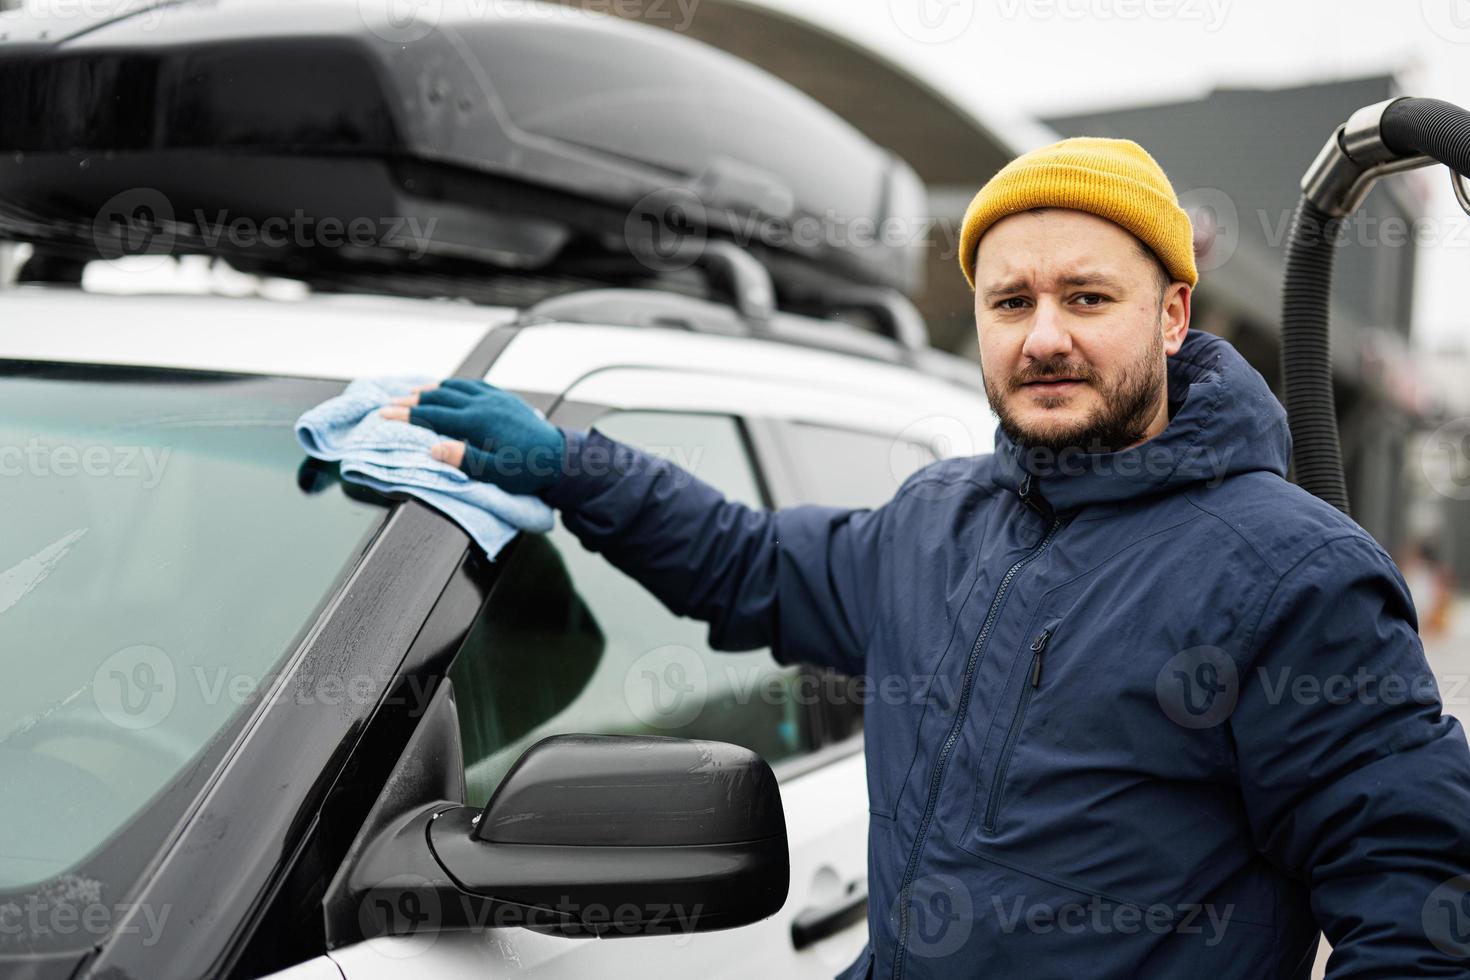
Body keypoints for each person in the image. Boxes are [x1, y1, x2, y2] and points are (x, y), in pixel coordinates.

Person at [381, 137, 1470, 979]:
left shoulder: (1294, 573)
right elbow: (748, 562)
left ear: (1174, 313)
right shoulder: (934, 520)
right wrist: (572, 465)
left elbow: (1420, 899)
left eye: (1087, 297)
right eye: (1012, 302)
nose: (1045, 335)